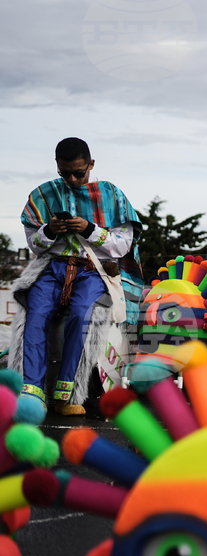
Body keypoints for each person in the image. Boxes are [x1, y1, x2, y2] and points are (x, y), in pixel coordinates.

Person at [12, 137, 142, 416]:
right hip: (50, 268)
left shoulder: (112, 194)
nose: (71, 178)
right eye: (64, 173)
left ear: (91, 165)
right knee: (34, 313)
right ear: (57, 167)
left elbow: (123, 245)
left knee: (83, 313)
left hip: (92, 270)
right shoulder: (44, 194)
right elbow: (34, 243)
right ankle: (31, 393)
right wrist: (50, 230)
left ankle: (68, 394)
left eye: (78, 172)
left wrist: (89, 229)